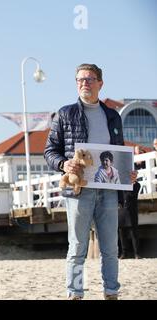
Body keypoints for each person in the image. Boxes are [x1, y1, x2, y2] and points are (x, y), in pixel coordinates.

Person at [44, 63, 137, 300]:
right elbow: (50, 151)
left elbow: (119, 153)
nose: (84, 83)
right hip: (78, 191)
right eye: (80, 79)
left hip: (108, 190)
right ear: (76, 83)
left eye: (89, 79)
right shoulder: (65, 114)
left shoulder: (113, 116)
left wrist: (128, 172)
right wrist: (64, 164)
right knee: (76, 248)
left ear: (100, 83)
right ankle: (75, 293)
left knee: (111, 248)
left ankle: (111, 292)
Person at [118, 146, 142, 259]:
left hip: (132, 210)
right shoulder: (119, 184)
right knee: (122, 233)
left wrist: (132, 182)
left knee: (134, 232)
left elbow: (135, 190)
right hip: (122, 210)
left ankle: (137, 253)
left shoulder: (136, 185)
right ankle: (124, 253)